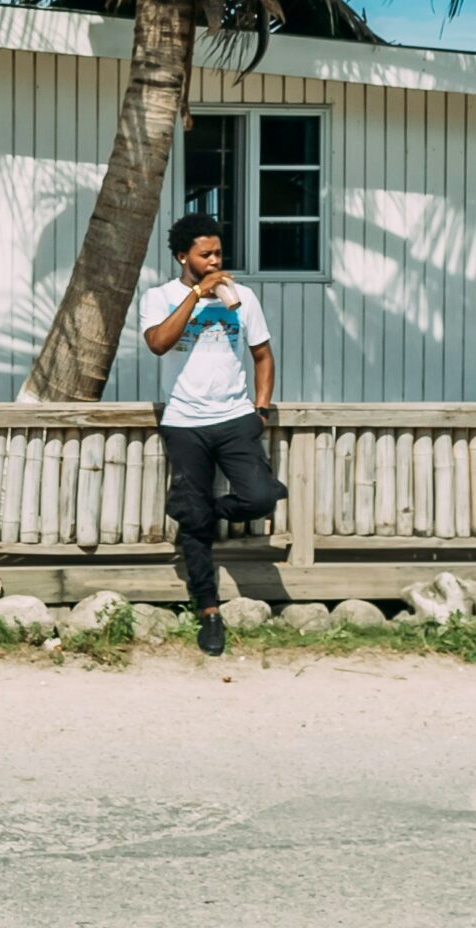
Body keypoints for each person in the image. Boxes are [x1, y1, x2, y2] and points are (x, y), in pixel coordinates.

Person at [141, 213, 287, 657]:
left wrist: (259, 411)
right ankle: (208, 610)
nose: (214, 260)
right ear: (182, 255)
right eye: (205, 254)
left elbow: (262, 355)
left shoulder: (242, 297)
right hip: (185, 422)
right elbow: (158, 343)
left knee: (260, 496)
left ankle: (202, 510)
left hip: (235, 417)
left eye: (218, 253)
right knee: (194, 523)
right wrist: (197, 295)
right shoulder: (159, 296)